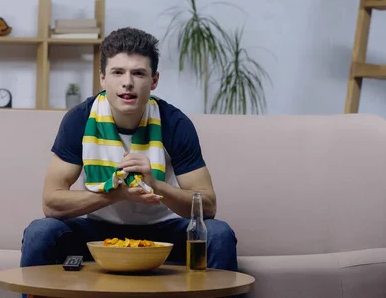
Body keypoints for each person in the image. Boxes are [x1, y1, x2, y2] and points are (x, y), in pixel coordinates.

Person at [20, 27, 238, 274]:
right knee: (41, 232)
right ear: (102, 77)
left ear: (154, 80)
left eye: (138, 73)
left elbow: (207, 205)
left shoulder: (174, 123)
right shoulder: (79, 119)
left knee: (219, 234)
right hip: (98, 231)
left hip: (164, 232)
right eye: (117, 72)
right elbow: (51, 203)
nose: (127, 82)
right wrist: (118, 194)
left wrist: (155, 185)